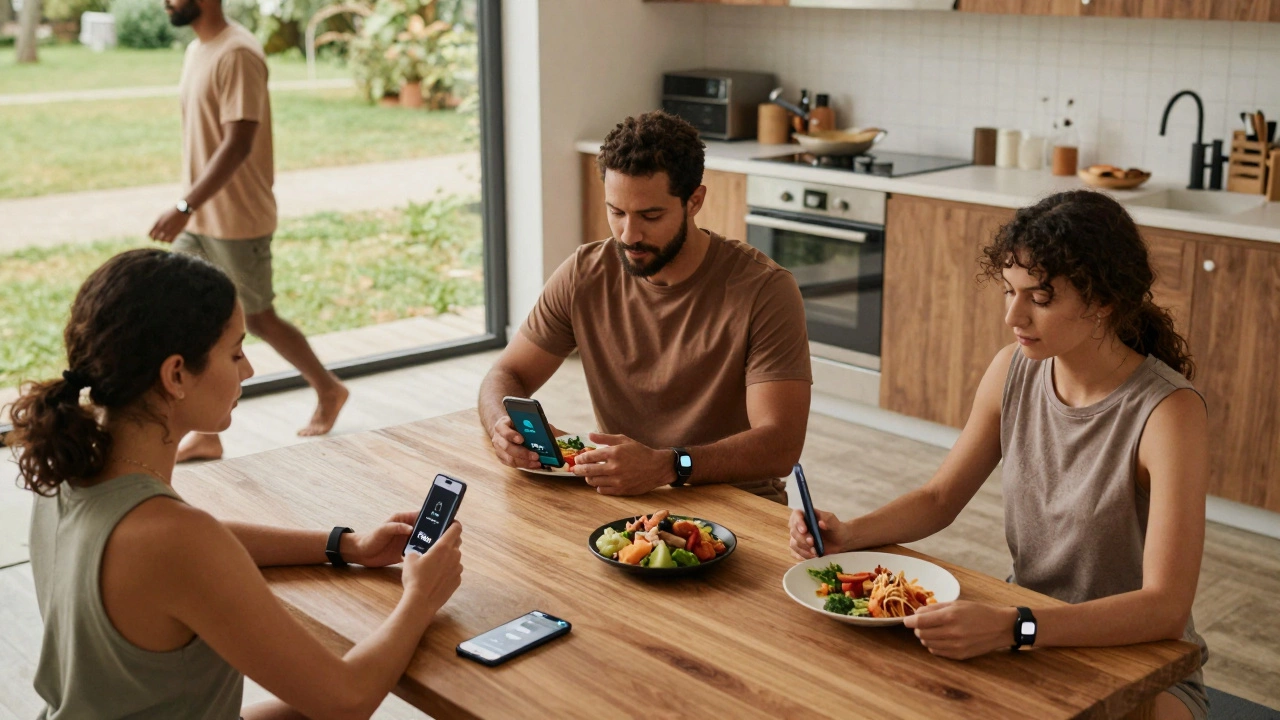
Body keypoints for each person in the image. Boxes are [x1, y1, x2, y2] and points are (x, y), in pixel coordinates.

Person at [788, 191, 1210, 720]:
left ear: (1103, 300)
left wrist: (1015, 626)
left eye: (1040, 298)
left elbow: (1165, 608)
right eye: (1010, 291)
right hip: (1027, 630)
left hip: (1137, 659)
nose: (1014, 315)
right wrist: (849, 534)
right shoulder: (1014, 368)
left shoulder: (1168, 413)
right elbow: (939, 498)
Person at [8, 249, 463, 720]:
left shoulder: (70, 470)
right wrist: (421, 597)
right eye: (235, 353)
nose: (247, 370)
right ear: (176, 374)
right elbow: (347, 700)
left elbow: (202, 547)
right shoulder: (172, 538)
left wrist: (347, 545)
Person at [478, 111, 812, 502]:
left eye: (650, 216)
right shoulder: (584, 274)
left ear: (694, 201)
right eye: (616, 212)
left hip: (737, 504)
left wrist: (668, 465)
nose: (629, 234)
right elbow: (505, 374)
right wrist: (503, 424)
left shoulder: (764, 290)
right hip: (624, 499)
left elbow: (781, 445)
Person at [149, 0, 347, 462]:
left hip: (238, 218)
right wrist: (191, 207)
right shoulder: (197, 50)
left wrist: (185, 204)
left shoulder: (238, 52)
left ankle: (329, 388)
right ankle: (207, 432)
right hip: (200, 218)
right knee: (179, 313)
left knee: (257, 318)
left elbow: (238, 142)